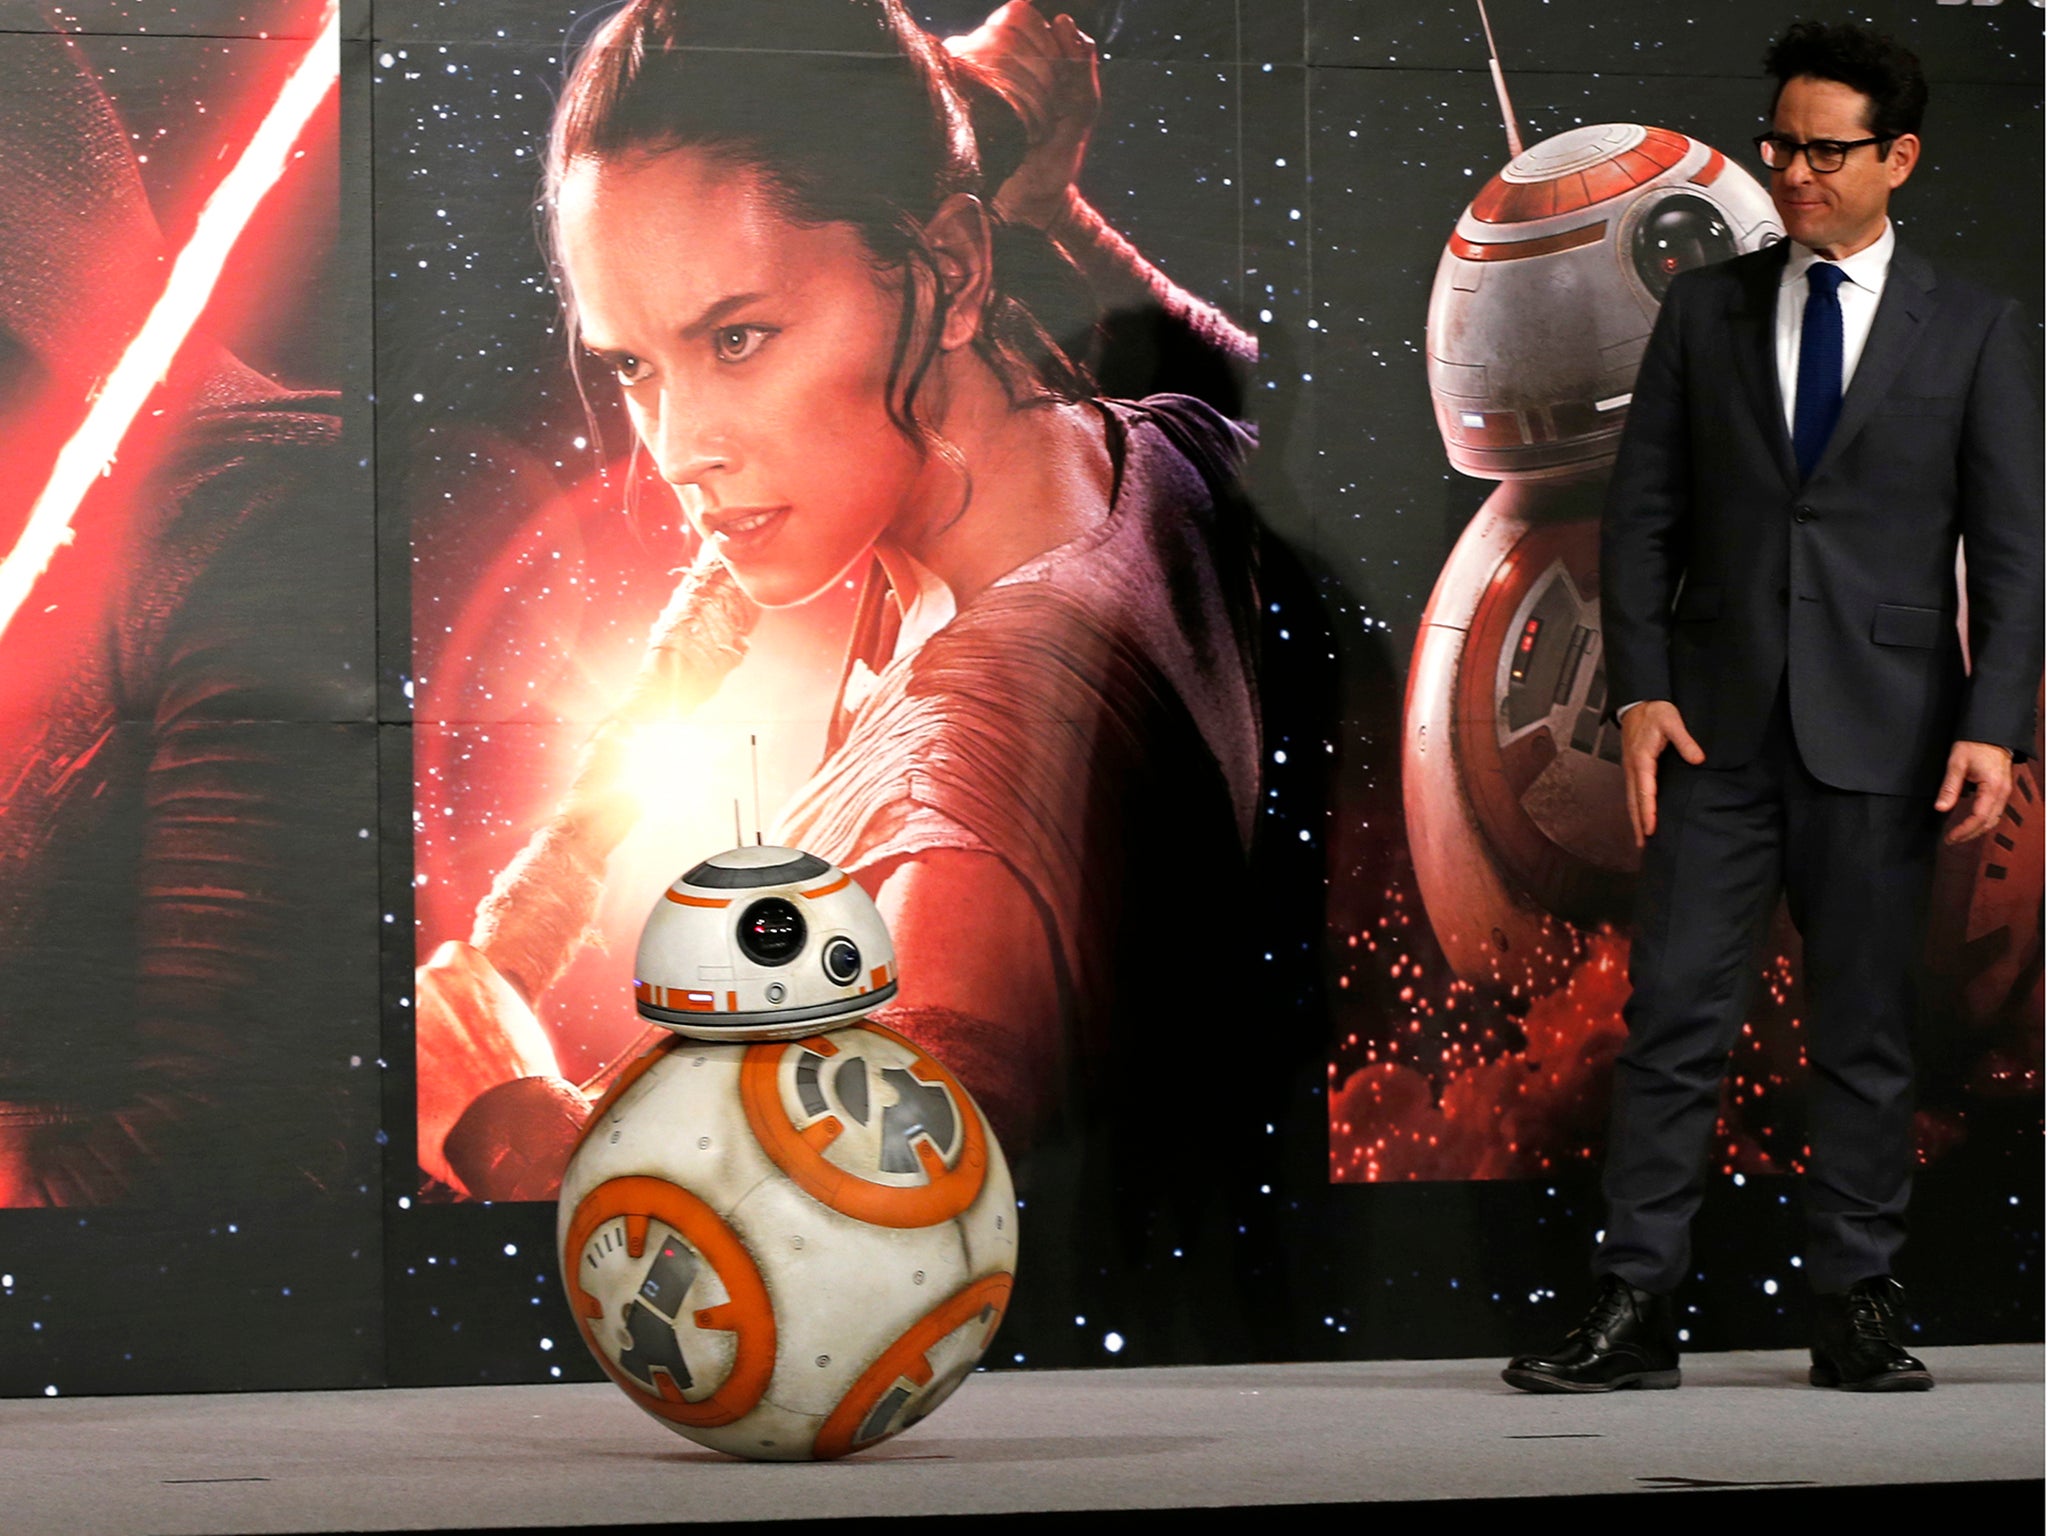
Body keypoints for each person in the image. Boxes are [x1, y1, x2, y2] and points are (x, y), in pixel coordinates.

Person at [414, 0, 1264, 1217]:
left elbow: (854, 1229)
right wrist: (1045, 211)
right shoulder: (1140, 455)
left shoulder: (969, 787)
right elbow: (1226, 385)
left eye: (741, 338)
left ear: (954, 274)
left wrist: (504, 1115)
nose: (680, 448)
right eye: (634, 367)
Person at [1503, 21, 2042, 1393]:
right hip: (1713, 733)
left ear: (1897, 158)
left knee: (1862, 1029)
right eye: (1781, 145)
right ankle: (1633, 1309)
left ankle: (1856, 1306)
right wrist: (1641, 698)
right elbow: (1643, 522)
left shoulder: (1972, 326)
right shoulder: (1705, 310)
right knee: (1675, 1019)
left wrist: (1993, 726)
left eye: (1827, 149)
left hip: (1893, 732)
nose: (1795, 172)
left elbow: (2017, 544)